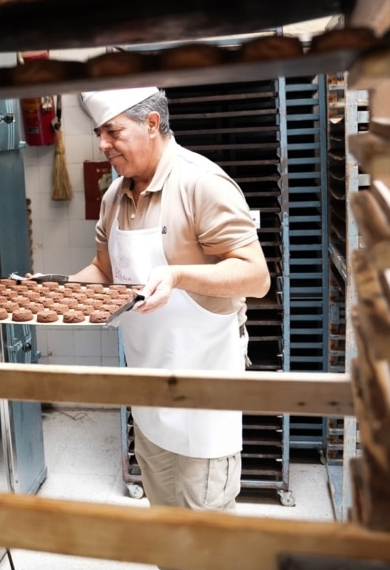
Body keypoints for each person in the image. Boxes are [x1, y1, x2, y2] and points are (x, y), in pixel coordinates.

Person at [68, 86, 271, 522]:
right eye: (99, 133)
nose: (102, 143)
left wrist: (178, 275)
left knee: (207, 526)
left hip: (204, 382)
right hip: (147, 380)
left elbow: (256, 277)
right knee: (165, 520)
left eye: (112, 131)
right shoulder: (113, 197)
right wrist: (56, 292)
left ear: (152, 124)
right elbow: (104, 270)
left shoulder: (201, 183)